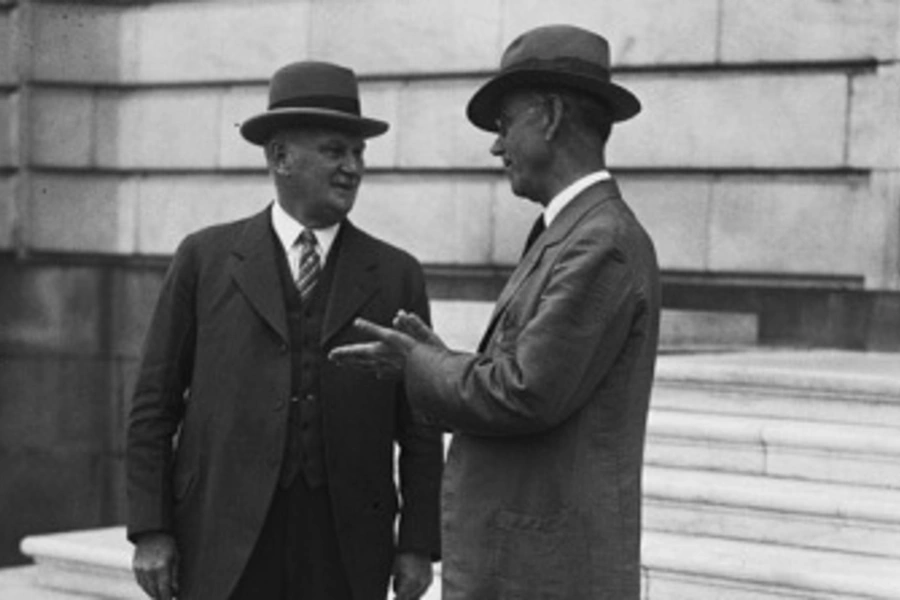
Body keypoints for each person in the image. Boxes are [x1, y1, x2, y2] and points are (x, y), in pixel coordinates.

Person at [330, 24, 660, 599]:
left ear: (552, 116)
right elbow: (529, 374)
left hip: (546, 575)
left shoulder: (601, 240)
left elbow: (525, 391)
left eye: (505, 124)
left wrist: (419, 366)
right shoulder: (575, 232)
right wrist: (435, 360)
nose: (496, 145)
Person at [125, 61, 443, 600]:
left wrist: (416, 543)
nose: (353, 168)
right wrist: (151, 530)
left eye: (358, 153)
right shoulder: (206, 259)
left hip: (345, 544)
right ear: (280, 157)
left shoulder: (396, 274)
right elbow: (154, 404)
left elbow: (419, 427)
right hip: (224, 537)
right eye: (334, 150)